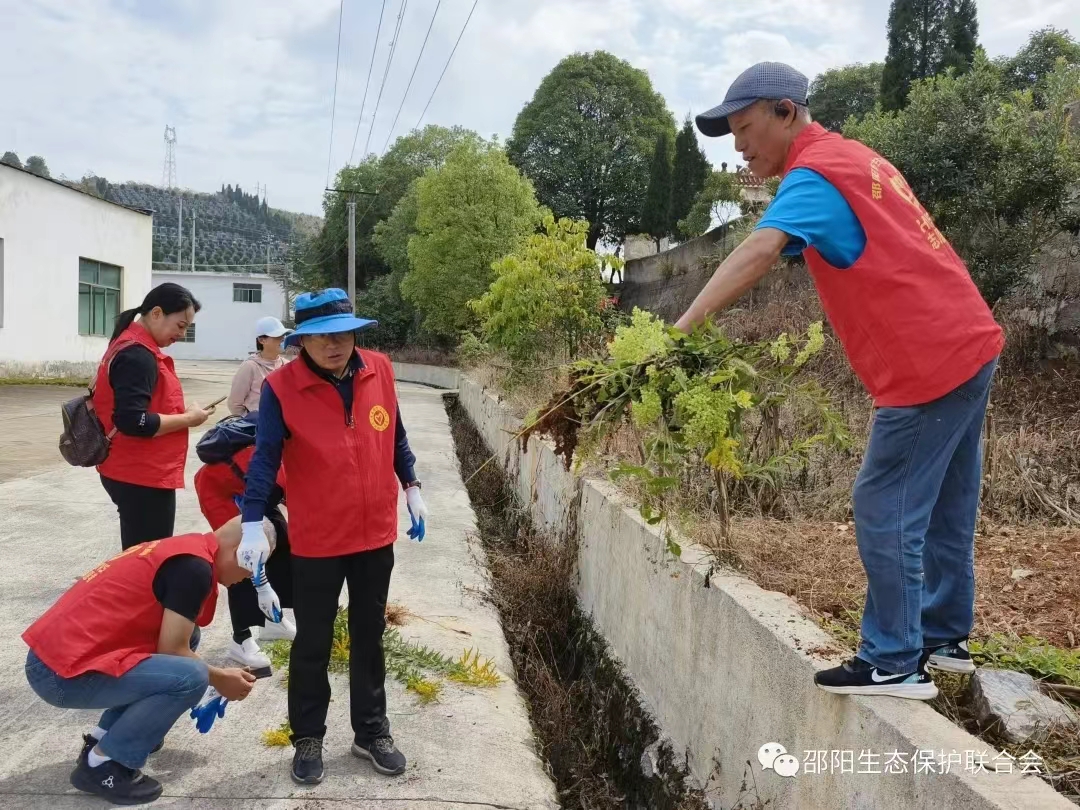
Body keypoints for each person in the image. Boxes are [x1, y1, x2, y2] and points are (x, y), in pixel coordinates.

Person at [679, 62, 1003, 700]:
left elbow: (759, 250)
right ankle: (943, 635)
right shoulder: (858, 160)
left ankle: (894, 660)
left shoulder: (816, 173)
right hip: (969, 340)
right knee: (946, 499)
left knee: (884, 503)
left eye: (745, 129)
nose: (740, 147)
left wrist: (681, 329)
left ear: (786, 111)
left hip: (926, 363)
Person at [238, 288, 429, 784]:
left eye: (343, 334)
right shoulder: (283, 388)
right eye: (322, 337)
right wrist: (253, 520)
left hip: (374, 536)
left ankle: (370, 731)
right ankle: (307, 737)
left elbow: (396, 436)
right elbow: (264, 457)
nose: (335, 345)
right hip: (318, 540)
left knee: (370, 637)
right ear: (300, 340)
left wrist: (411, 486)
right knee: (312, 645)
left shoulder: (379, 370)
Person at [22, 516, 271, 805]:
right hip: (57, 674)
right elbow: (172, 652)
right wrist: (220, 679)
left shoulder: (188, 550)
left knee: (188, 638)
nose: (252, 575)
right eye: (255, 564)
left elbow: (174, 645)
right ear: (240, 549)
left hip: (55, 658)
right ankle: (105, 764)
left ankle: (104, 738)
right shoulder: (194, 569)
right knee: (190, 677)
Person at [93, 282, 213, 549]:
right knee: (147, 562)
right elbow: (133, 421)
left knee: (139, 555)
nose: (181, 334)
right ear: (156, 313)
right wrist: (189, 419)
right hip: (140, 474)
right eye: (180, 325)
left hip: (133, 469)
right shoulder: (137, 355)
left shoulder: (130, 345)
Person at [193, 412, 296, 676]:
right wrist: (261, 586)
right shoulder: (287, 464)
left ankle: (273, 621)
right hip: (219, 489)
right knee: (241, 562)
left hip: (254, 488)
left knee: (282, 540)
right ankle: (241, 639)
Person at [228, 315, 292, 416]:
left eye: (284, 336)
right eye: (277, 336)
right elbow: (235, 403)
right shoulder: (250, 366)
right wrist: (251, 421)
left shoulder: (288, 366)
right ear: (262, 340)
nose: (282, 339)